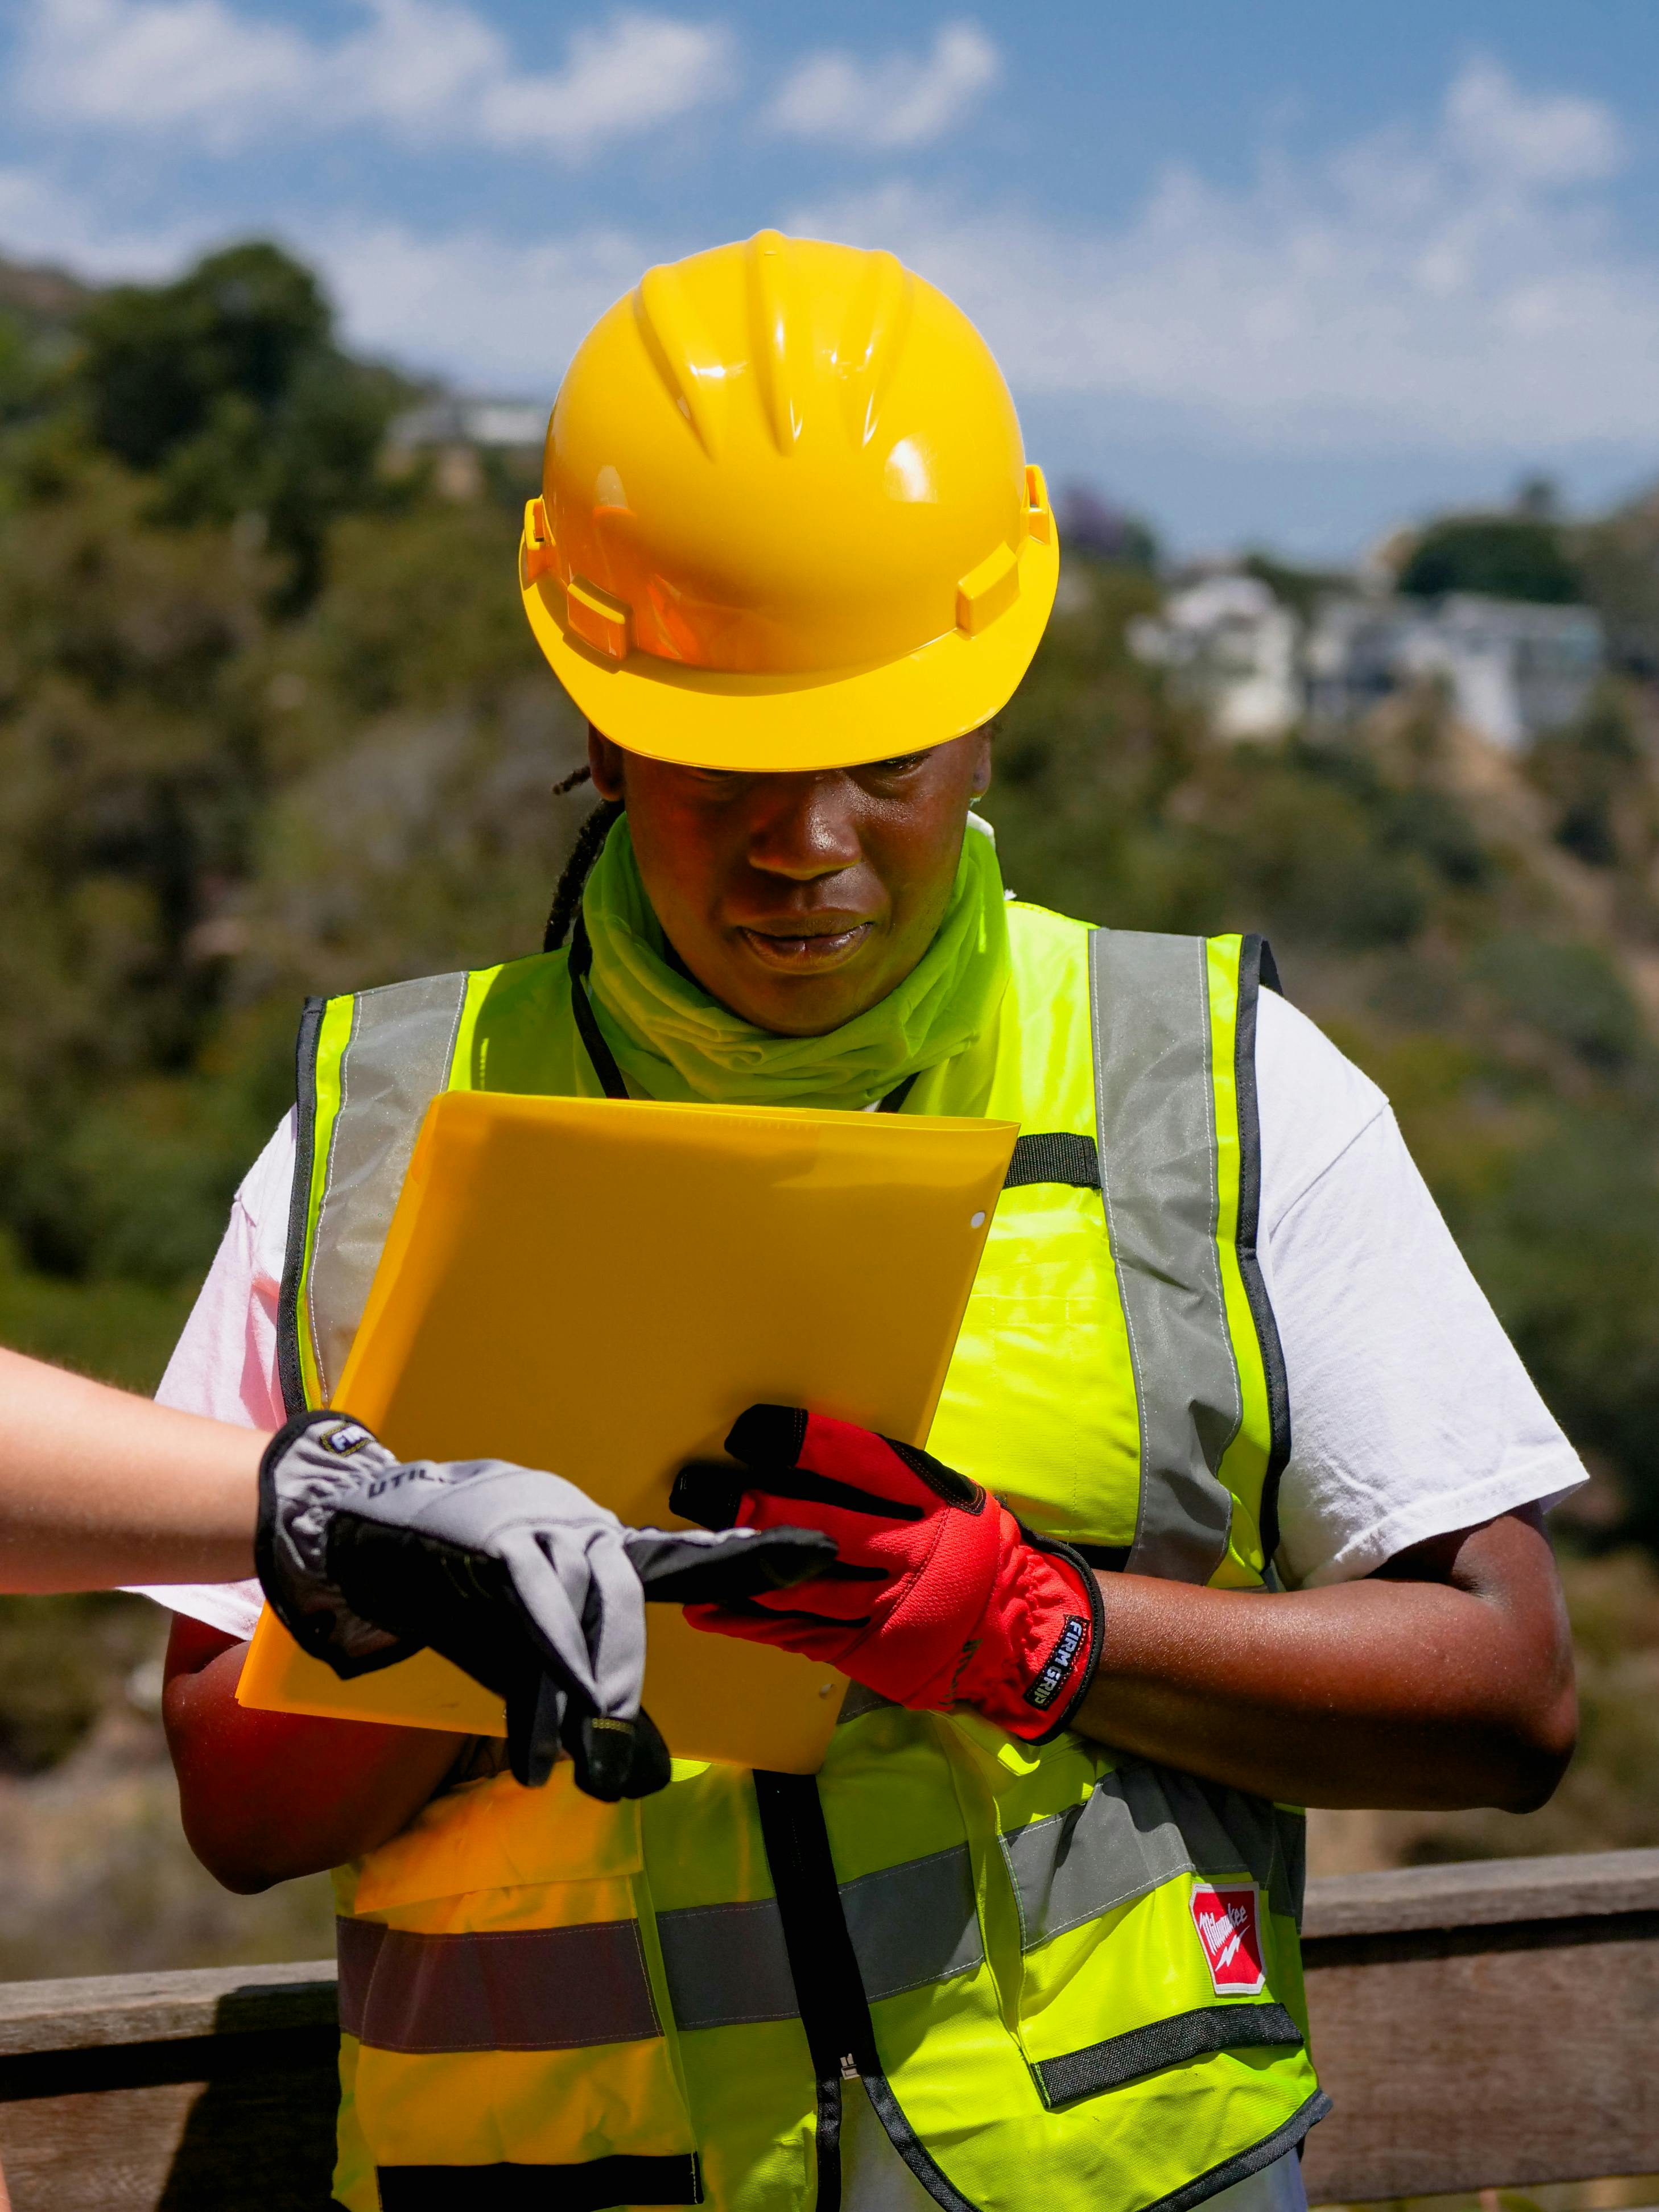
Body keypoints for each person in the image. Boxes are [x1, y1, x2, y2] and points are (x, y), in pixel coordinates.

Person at [156, 233, 1579, 2212]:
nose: (806, 848)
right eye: (728, 765)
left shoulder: (1215, 1084)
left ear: (988, 703)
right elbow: (233, 1800)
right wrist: (457, 1622)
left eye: (881, 762)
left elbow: (1507, 1695)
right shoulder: (374, 1135)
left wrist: (1041, 1629)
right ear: (601, 714)